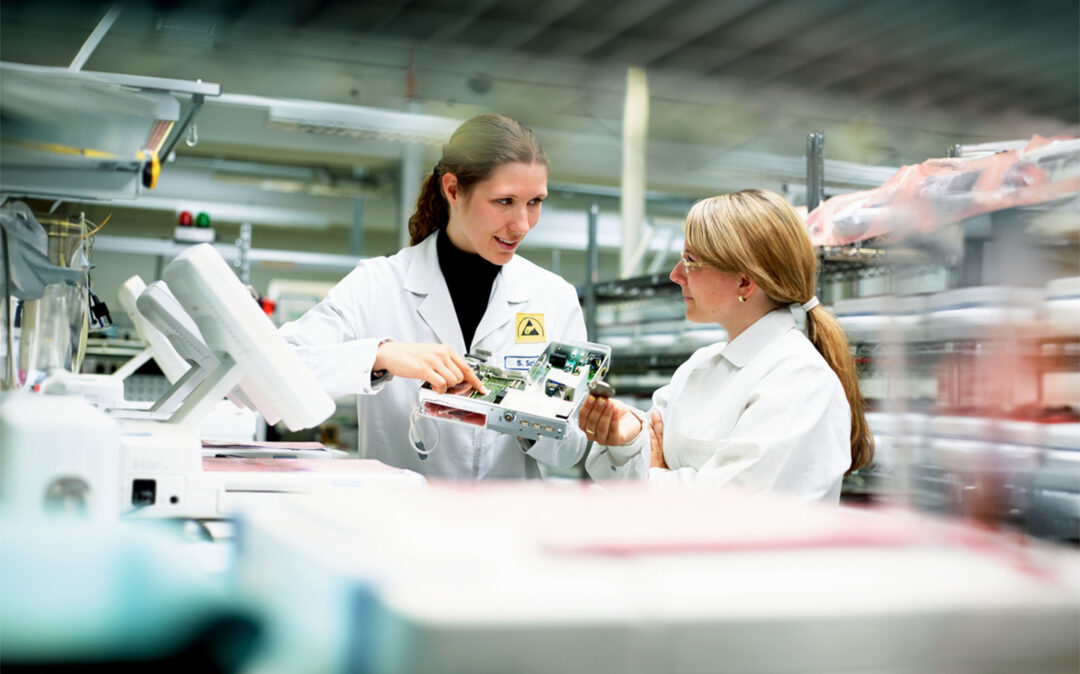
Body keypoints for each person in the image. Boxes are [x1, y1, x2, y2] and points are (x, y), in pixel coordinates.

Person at [280, 114, 588, 479]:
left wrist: (527, 419)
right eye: (505, 201)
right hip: (403, 526)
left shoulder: (553, 298)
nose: (522, 224)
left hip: (507, 528)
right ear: (453, 190)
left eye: (535, 201)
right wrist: (381, 356)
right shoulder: (378, 284)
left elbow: (571, 450)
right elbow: (281, 365)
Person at [580, 188, 873, 502]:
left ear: (744, 283)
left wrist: (653, 473)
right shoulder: (699, 366)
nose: (676, 274)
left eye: (691, 261)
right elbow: (641, 471)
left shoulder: (801, 380)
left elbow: (729, 512)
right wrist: (628, 442)